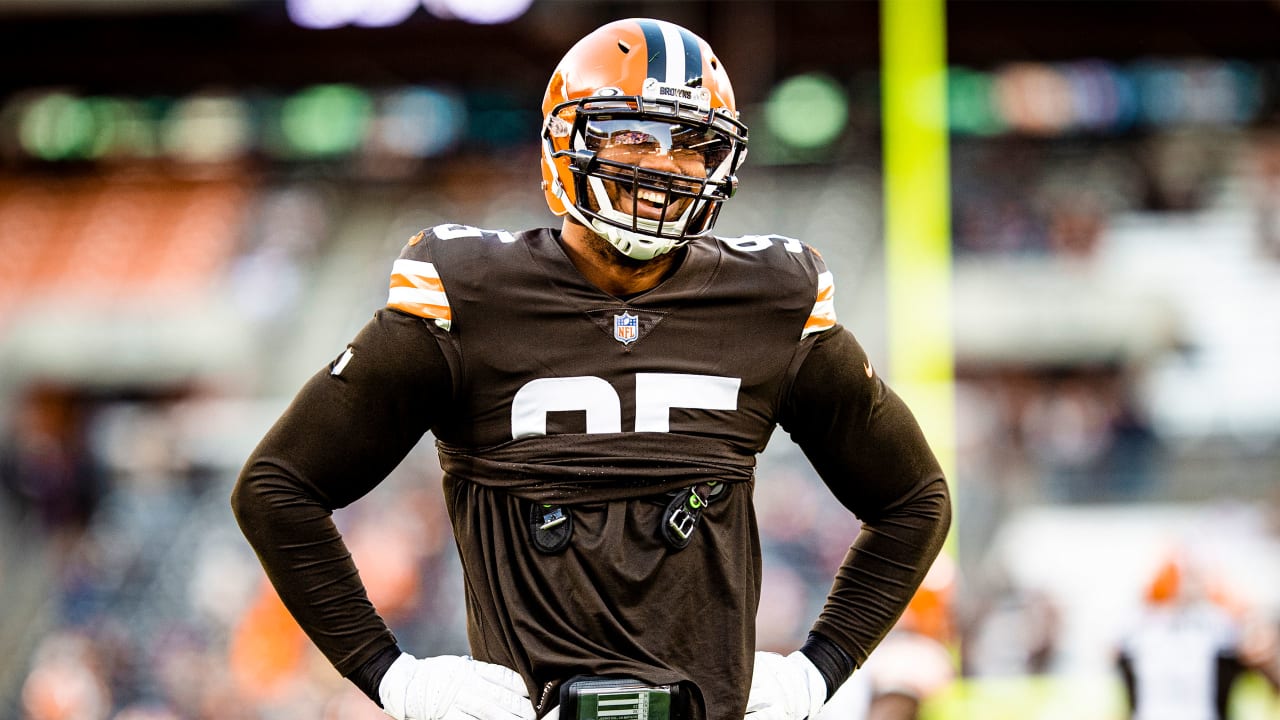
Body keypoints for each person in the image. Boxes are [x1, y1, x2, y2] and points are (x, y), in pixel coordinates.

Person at [231, 17, 950, 720]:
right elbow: (277, 489)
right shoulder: (469, 290)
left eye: (693, 145)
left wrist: (818, 671)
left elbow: (914, 500)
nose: (665, 166)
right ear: (563, 142)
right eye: (635, 136)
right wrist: (394, 678)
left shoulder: (770, 298)